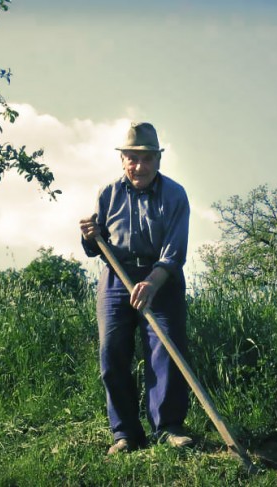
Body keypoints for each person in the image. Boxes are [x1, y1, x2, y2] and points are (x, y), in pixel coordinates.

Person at [79, 122, 192, 455]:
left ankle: (168, 427)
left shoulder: (175, 195)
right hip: (116, 277)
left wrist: (152, 282)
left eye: (146, 159)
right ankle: (125, 433)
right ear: (123, 159)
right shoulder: (108, 193)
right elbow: (96, 246)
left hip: (162, 279)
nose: (138, 166)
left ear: (158, 160)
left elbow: (174, 250)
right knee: (112, 353)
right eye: (132, 158)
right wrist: (89, 235)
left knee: (167, 348)